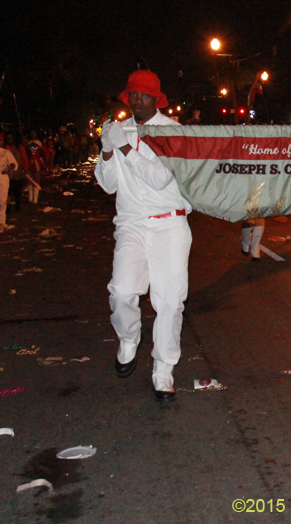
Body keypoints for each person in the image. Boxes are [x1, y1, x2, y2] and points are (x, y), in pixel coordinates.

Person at [95, 70, 192, 401]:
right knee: (122, 292)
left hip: (170, 225)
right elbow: (107, 184)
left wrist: (123, 148)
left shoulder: (172, 132)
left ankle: (163, 369)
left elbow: (160, 178)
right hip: (132, 223)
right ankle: (129, 337)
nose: (136, 100)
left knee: (169, 301)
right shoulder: (119, 131)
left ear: (156, 99)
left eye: (142, 95)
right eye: (131, 95)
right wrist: (107, 150)